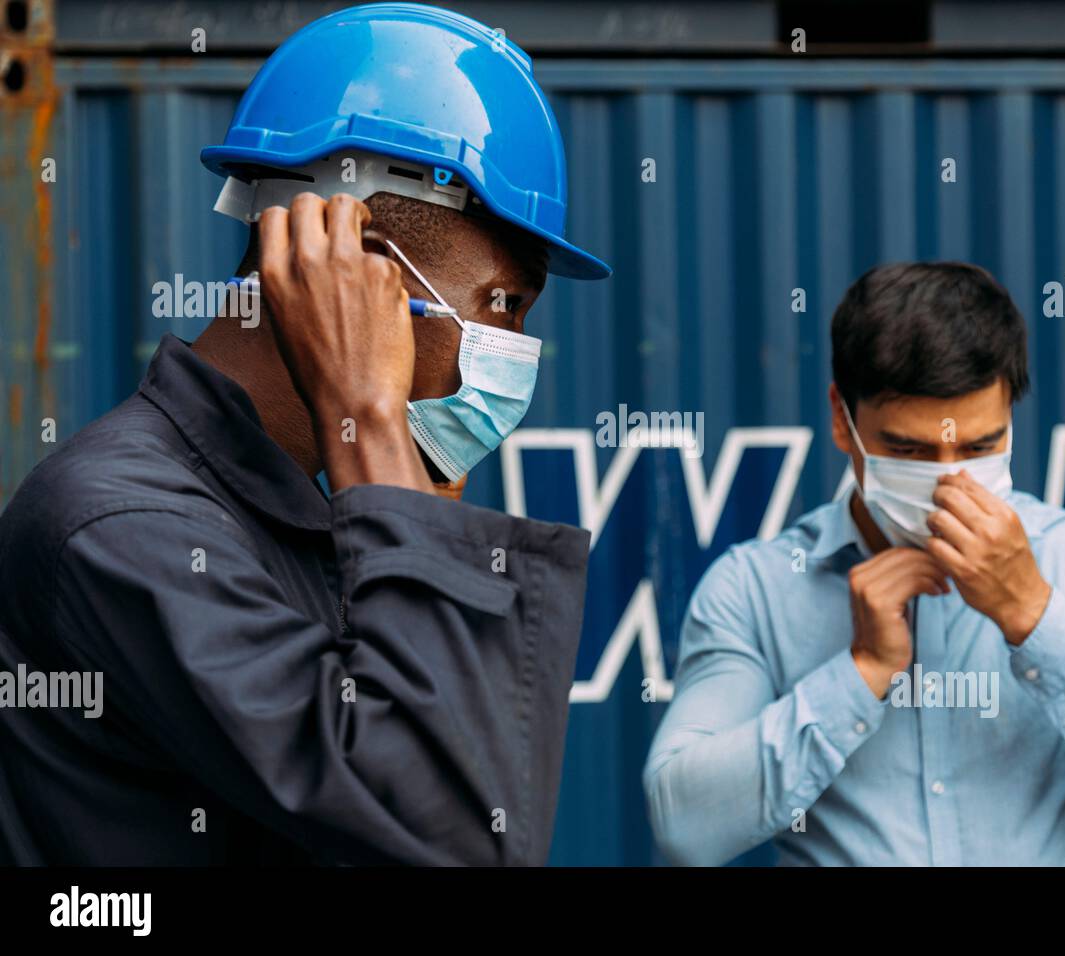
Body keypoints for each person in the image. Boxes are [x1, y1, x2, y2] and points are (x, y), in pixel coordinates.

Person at [0, 3, 609, 865]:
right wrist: (373, 422)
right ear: (354, 263)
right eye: (502, 305)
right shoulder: (123, 528)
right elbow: (442, 829)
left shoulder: (299, 521)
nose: (512, 352)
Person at [643, 262, 1065, 866]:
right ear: (841, 421)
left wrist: (1036, 615)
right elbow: (685, 824)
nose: (948, 479)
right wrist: (859, 674)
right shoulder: (755, 590)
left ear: (1009, 422)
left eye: (979, 447)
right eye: (908, 449)